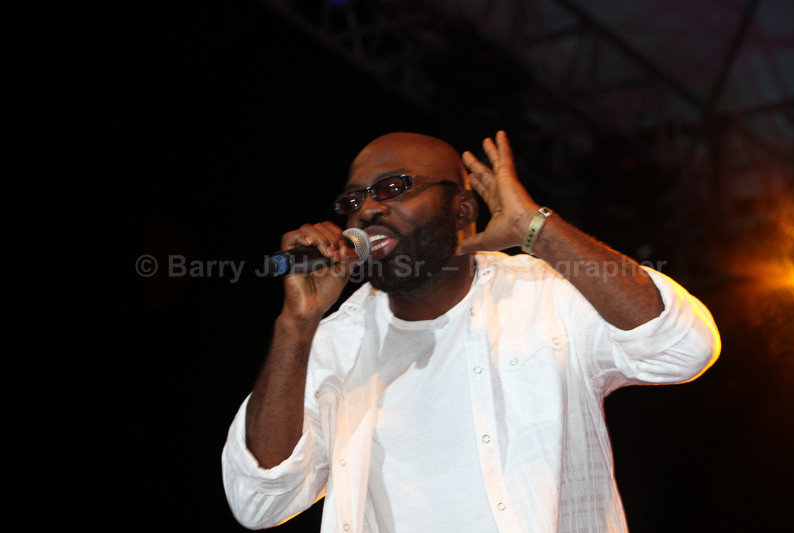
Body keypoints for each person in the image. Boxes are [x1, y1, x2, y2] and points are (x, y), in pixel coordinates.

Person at [222, 131, 721, 532]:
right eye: (353, 199)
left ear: (461, 209)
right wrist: (296, 324)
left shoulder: (544, 295)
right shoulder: (332, 344)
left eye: (394, 188)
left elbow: (685, 347)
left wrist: (536, 229)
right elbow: (257, 501)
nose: (367, 210)